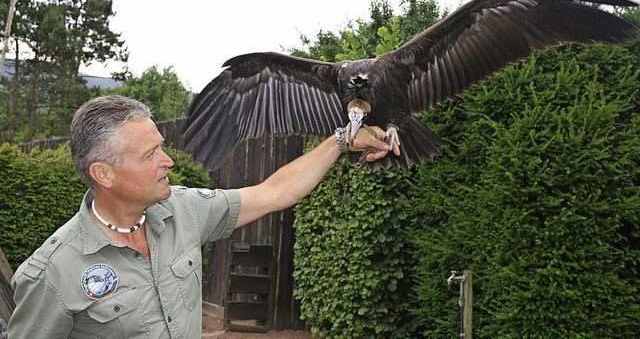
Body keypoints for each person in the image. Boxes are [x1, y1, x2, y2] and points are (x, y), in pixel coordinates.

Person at [8, 95, 399, 338]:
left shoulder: (183, 209)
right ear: (103, 174)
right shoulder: (51, 274)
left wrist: (343, 140)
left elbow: (274, 192)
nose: (168, 161)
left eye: (161, 147)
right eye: (150, 155)